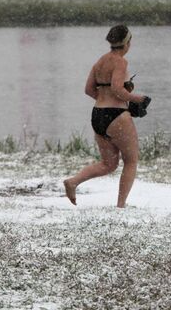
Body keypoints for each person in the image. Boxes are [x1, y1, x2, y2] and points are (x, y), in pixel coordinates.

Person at [63, 25, 150, 208]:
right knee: (131, 161)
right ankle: (121, 205)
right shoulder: (120, 62)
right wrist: (136, 98)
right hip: (117, 116)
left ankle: (73, 182)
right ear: (127, 42)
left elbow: (89, 89)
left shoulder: (100, 61)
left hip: (98, 114)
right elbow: (118, 89)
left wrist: (104, 99)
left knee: (108, 164)